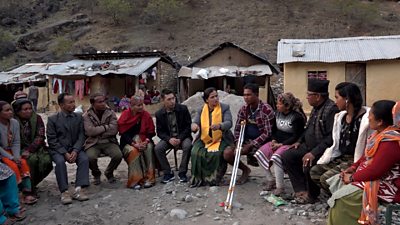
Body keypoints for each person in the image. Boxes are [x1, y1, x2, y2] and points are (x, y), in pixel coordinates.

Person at [327, 100, 400, 225]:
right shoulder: (379, 135)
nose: (368, 117)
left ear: (380, 121)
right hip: (374, 178)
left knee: (341, 198)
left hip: (388, 185)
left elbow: (376, 171)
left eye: (371, 114)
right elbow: (366, 156)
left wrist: (352, 178)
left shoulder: (391, 142)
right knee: (336, 181)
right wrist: (354, 167)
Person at [281, 79, 339, 204]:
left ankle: (312, 195)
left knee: (308, 163)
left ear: (318, 96)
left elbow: (331, 137)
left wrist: (314, 153)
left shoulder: (331, 109)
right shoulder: (315, 108)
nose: (307, 97)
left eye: (309, 94)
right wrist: (299, 141)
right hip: (308, 146)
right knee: (287, 155)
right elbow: (307, 129)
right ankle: (301, 190)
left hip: (322, 150)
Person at [310, 82, 370, 193]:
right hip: (341, 157)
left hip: (355, 160)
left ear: (347, 99)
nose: (335, 101)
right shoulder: (341, 118)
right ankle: (336, 195)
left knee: (325, 179)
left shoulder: (365, 120)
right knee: (315, 171)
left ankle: (341, 197)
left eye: (337, 97)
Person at [254, 92, 306, 195]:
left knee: (276, 158)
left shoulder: (296, 117)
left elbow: (296, 136)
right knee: (259, 153)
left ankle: (280, 187)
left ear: (287, 106)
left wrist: (281, 144)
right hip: (277, 142)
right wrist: (273, 140)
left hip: (289, 143)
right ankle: (270, 180)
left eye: (279, 104)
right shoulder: (277, 114)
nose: (277, 106)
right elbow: (274, 130)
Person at [223, 83, 275, 185]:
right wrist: (238, 142)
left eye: (249, 95)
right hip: (245, 140)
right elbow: (238, 128)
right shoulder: (244, 109)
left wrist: (251, 144)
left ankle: (270, 179)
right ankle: (245, 170)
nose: (246, 98)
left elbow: (267, 133)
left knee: (262, 153)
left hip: (262, 141)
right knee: (227, 153)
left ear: (256, 94)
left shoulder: (266, 110)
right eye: (244, 95)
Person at [46, 93, 89, 205]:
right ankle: (64, 191)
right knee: (60, 162)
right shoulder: (53, 119)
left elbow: (81, 136)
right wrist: (64, 153)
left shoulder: (79, 117)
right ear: (61, 105)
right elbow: (52, 140)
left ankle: (79, 189)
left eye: (73, 102)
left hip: (75, 149)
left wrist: (75, 150)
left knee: (84, 159)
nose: (73, 104)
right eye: (70, 102)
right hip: (59, 150)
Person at [190, 87, 234, 187]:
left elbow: (229, 123)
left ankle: (214, 179)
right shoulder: (201, 110)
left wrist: (220, 126)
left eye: (216, 96)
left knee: (216, 154)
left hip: (221, 138)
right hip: (205, 138)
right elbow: (196, 122)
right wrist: (194, 126)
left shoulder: (224, 107)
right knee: (195, 152)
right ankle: (199, 178)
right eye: (212, 97)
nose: (215, 99)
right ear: (206, 100)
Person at [12, 99, 53, 194]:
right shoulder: (13, 121)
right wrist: (23, 151)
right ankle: (29, 189)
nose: (28, 111)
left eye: (30, 108)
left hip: (37, 147)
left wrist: (30, 149)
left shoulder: (37, 118)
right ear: (18, 111)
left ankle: (32, 184)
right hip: (19, 148)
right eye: (25, 109)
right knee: (31, 161)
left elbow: (40, 135)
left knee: (47, 161)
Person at [0, 101, 37, 205]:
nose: (10, 112)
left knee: (23, 163)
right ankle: (18, 195)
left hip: (12, 151)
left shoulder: (14, 123)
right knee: (13, 167)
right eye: (6, 110)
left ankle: (27, 192)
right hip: (2, 152)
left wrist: (16, 156)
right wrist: (11, 158)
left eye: (10, 109)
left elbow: (16, 142)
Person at [83, 93, 122, 185]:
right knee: (90, 157)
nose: (103, 103)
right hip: (93, 143)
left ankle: (109, 172)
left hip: (109, 141)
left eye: (104, 101)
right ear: (93, 104)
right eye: (100, 102)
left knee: (118, 155)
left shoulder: (111, 113)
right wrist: (105, 128)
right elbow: (90, 132)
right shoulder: (86, 115)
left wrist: (98, 131)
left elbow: (114, 130)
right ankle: (96, 174)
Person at [118, 95, 156, 189]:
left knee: (149, 148)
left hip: (144, 141)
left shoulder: (146, 115)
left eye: (141, 105)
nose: (140, 107)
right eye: (138, 105)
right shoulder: (125, 115)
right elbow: (124, 134)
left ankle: (150, 178)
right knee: (133, 152)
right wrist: (135, 144)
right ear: (131, 106)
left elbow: (151, 132)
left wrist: (146, 142)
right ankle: (135, 180)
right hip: (128, 143)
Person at [155, 89, 192, 183]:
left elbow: (188, 127)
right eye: (169, 99)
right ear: (163, 100)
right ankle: (168, 172)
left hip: (183, 137)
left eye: (173, 98)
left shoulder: (183, 109)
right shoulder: (159, 114)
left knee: (188, 146)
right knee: (158, 148)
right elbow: (159, 132)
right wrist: (169, 139)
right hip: (169, 139)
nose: (172, 101)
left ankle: (182, 172)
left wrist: (180, 138)